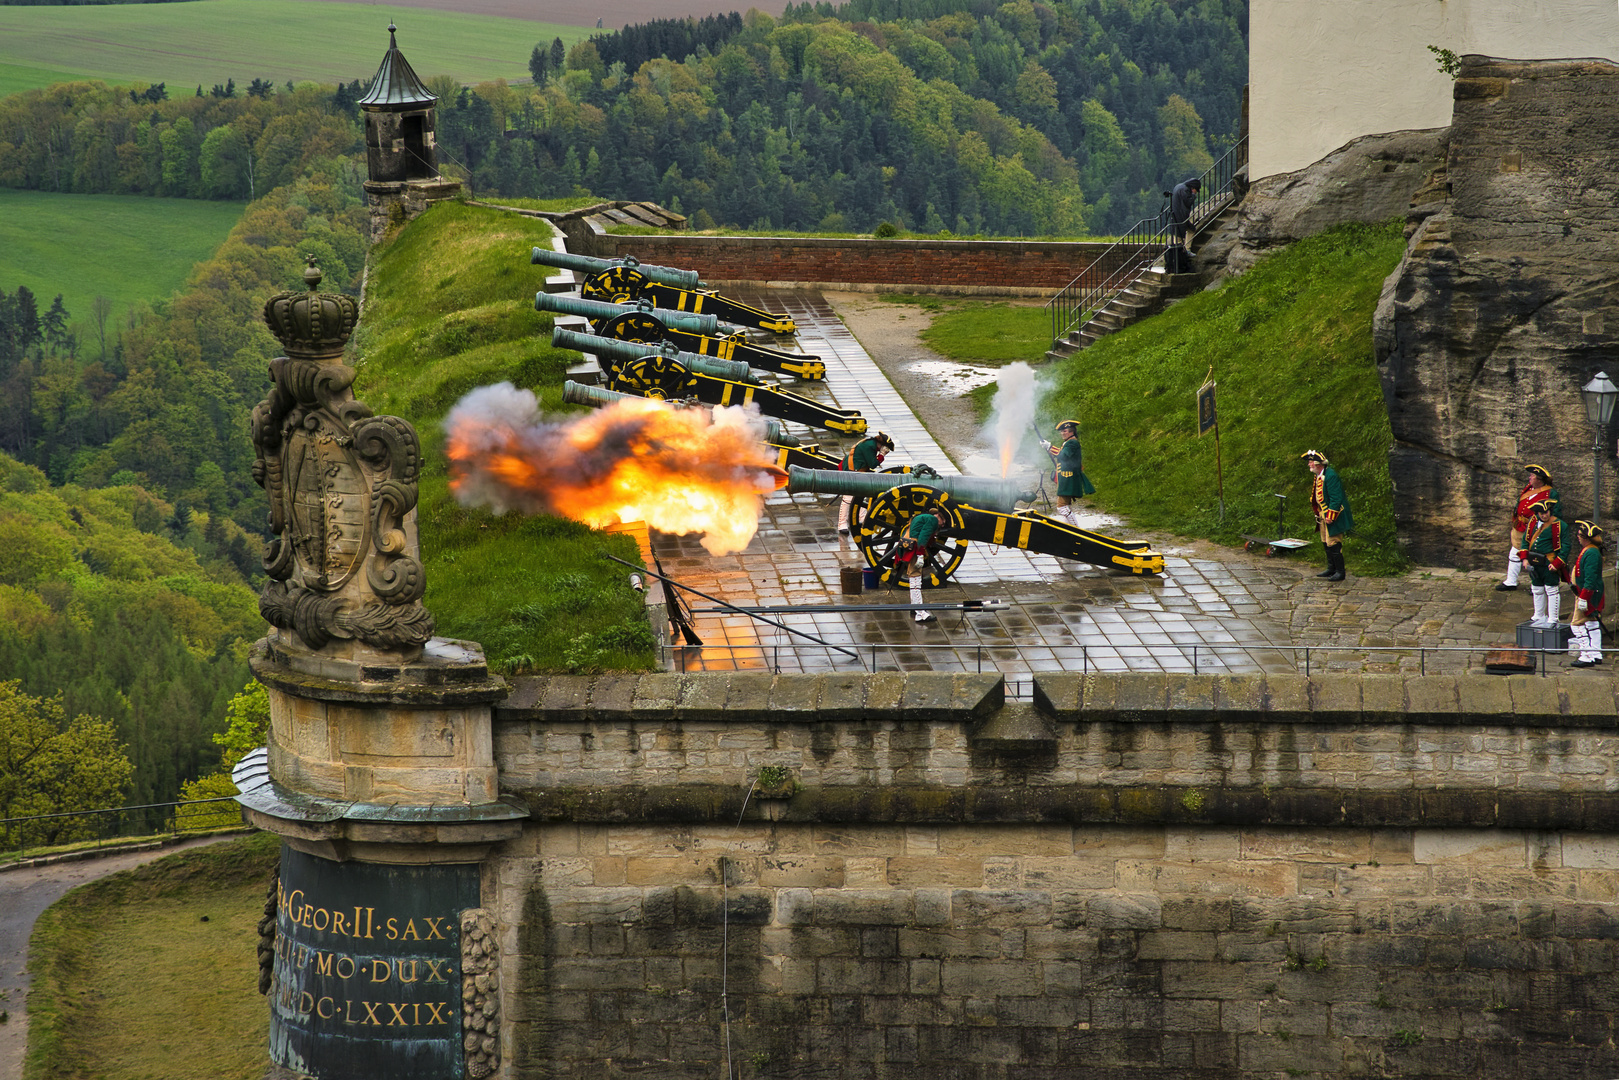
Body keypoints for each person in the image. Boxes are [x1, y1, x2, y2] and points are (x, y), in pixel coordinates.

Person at [1497, 464, 1559, 591]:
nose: (1530, 478)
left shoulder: (1550, 493)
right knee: (1515, 553)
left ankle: (1535, 585)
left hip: (1536, 529)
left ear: (1539, 480)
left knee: (1534, 557)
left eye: (1532, 476)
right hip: (1521, 527)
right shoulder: (1528, 488)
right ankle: (1511, 581)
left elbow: (1555, 513)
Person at [1518, 499, 1571, 628]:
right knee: (1537, 589)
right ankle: (1539, 615)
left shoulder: (1560, 525)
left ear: (1550, 511)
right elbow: (1525, 541)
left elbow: (1566, 546)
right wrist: (1524, 559)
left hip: (1549, 562)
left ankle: (1553, 618)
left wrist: (1557, 563)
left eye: (1546, 512)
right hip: (1534, 562)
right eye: (1541, 513)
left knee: (1551, 589)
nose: (1544, 515)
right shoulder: (1532, 522)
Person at [1302, 449, 1353, 581]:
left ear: (1318, 464)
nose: (1309, 464)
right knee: (1325, 541)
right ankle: (1331, 568)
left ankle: (1340, 572)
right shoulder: (1319, 475)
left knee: (1333, 542)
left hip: (1333, 514)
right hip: (1323, 513)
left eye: (1310, 462)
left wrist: (1330, 515)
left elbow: (1336, 498)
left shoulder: (1331, 476)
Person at [837, 431, 894, 536]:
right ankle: (842, 524)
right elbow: (873, 464)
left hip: (857, 470)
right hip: (851, 470)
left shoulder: (870, 443)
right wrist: (881, 455)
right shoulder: (870, 447)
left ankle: (862, 518)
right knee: (848, 498)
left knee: (861, 494)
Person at [1569, 521, 1605, 667]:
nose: (1578, 537)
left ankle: (1586, 655)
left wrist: (1583, 598)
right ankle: (1596, 653)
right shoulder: (1590, 550)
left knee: (1577, 624)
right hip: (1588, 593)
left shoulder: (1591, 552)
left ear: (1586, 538)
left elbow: (1590, 579)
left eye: (1580, 535)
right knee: (1592, 622)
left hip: (1588, 594)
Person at [1046, 420, 1096, 527]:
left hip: (1069, 478)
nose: (1063, 433)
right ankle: (1068, 528)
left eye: (1065, 431)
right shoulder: (1069, 443)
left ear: (1071, 432)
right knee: (1065, 506)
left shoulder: (1072, 443)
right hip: (1066, 478)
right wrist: (1049, 448)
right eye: (1062, 431)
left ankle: (1075, 528)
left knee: (1062, 507)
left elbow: (1063, 455)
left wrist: (1050, 447)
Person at [896, 510, 939, 623]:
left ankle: (914, 607)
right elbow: (923, 537)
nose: (941, 525)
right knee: (916, 580)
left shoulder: (920, 517)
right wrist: (920, 555)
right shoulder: (933, 519)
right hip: (915, 550)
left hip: (908, 547)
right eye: (942, 522)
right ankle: (920, 613)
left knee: (913, 579)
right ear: (938, 516)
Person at [1169, 177, 1201, 270]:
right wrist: (1193, 196)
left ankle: (1182, 253)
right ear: (1193, 187)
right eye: (1196, 190)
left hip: (1176, 216)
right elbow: (1187, 202)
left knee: (1183, 233)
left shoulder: (1179, 186)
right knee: (1181, 236)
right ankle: (1184, 253)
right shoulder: (1185, 190)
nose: (1195, 191)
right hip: (1181, 217)